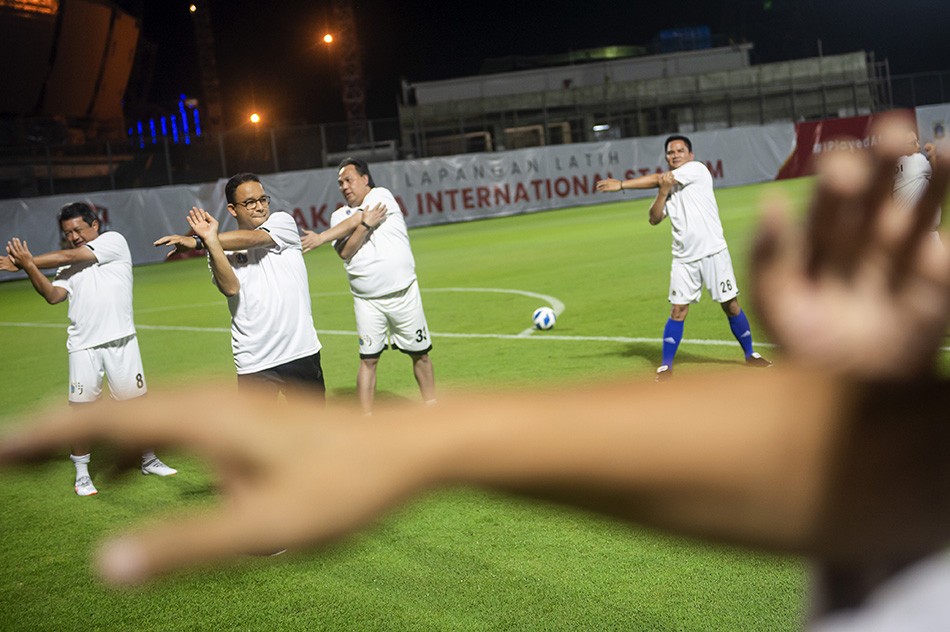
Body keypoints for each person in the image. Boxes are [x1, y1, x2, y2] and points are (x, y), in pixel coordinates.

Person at [2, 122, 950, 631]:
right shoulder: (900, 544)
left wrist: (438, 446)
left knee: (397, 359)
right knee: (372, 362)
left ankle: (741, 351)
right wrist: (875, 391)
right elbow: (847, 490)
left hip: (345, 321)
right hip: (293, 340)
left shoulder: (315, 216)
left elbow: (834, 487)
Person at [0, 202, 176, 496]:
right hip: (83, 346)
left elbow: (73, 253)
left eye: (78, 229)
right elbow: (54, 296)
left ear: (95, 224)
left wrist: (25, 260)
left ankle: (148, 459)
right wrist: (29, 267)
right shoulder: (66, 264)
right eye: (68, 232)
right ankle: (82, 474)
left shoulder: (113, 241)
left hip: (122, 339)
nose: (74, 236)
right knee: (80, 412)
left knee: (137, 406)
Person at [595, 135, 770, 381]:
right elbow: (654, 218)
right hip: (683, 260)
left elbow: (657, 179)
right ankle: (666, 366)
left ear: (690, 155)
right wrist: (663, 193)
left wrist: (622, 184)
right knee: (678, 310)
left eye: (680, 150)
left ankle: (750, 355)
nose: (674, 155)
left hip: (713, 253)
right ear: (666, 156)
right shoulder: (668, 185)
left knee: (730, 305)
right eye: (670, 152)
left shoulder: (697, 171)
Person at [154, 174, 325, 402]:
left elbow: (254, 240)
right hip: (254, 360)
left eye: (263, 199)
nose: (260, 207)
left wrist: (198, 241)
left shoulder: (282, 222)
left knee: (314, 432)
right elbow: (231, 288)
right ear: (233, 210)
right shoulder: (217, 247)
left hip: (300, 351)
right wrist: (210, 242)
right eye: (250, 202)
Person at [300, 158, 433, 413]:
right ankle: (367, 417)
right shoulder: (338, 216)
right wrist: (364, 225)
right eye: (340, 183)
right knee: (368, 359)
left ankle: (432, 406)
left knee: (421, 354)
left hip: (404, 294)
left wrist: (323, 237)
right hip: (367, 301)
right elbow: (345, 252)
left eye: (348, 180)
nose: (344, 186)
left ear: (365, 179)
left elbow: (360, 218)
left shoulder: (382, 195)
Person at [894, 127, 941, 237]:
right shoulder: (916, 160)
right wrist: (933, 155)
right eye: (914, 143)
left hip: (904, 235)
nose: (919, 146)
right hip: (924, 235)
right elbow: (939, 178)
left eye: (918, 142)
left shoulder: (892, 167)